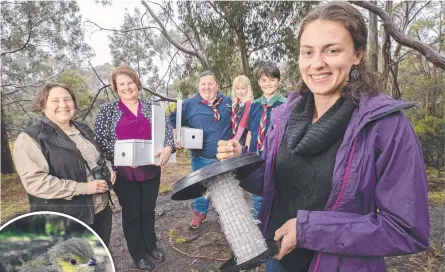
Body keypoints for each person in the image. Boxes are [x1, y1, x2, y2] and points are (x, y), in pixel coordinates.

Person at [216, 2, 429, 272]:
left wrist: (309, 231)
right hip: (277, 259)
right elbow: (274, 182)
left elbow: (406, 229)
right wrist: (241, 164)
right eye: (308, 52)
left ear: (357, 55)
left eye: (332, 50)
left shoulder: (385, 127)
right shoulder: (284, 116)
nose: (317, 63)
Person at [13, 82, 116, 246]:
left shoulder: (82, 128)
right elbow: (35, 182)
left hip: (100, 210)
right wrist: (84, 188)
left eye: (67, 99)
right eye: (55, 101)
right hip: (65, 219)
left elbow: (98, 157)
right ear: (43, 106)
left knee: (100, 257)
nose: (63, 105)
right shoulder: (31, 138)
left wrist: (109, 168)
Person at [94, 65, 175, 270]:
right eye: (122, 84)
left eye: (130, 82)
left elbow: (167, 133)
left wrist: (168, 147)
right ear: (115, 87)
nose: (127, 87)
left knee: (148, 210)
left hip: (151, 170)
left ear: (137, 84)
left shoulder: (152, 108)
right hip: (123, 173)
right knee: (131, 214)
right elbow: (100, 141)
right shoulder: (108, 111)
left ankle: (151, 245)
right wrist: (120, 156)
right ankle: (138, 252)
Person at [169, 71, 232, 230]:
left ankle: (223, 215)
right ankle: (200, 213)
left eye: (210, 83)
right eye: (203, 84)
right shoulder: (189, 104)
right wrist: (175, 137)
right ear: (199, 86)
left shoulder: (228, 102)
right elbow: (171, 120)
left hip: (224, 157)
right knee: (200, 186)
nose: (207, 87)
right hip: (200, 157)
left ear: (217, 85)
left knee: (224, 188)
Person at [246, 62, 286, 220]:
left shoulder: (286, 105)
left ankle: (275, 222)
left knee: (276, 189)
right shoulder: (254, 105)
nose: (267, 84)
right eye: (264, 80)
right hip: (256, 156)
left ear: (278, 81)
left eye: (272, 80)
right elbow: (250, 131)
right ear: (259, 83)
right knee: (258, 189)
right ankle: (258, 219)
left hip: (276, 156)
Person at [231, 75, 254, 145]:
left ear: (248, 89)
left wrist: (237, 138)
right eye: (237, 89)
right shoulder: (236, 103)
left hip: (243, 138)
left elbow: (244, 121)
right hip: (234, 135)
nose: (240, 91)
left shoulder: (248, 103)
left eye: (243, 88)